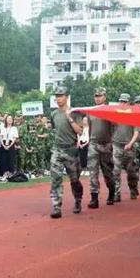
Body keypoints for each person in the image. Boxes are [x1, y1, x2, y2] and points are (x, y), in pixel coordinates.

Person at [49, 86, 84, 219]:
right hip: (57, 149)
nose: (58, 99)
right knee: (56, 179)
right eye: (57, 96)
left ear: (67, 97)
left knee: (74, 180)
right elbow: (55, 129)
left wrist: (69, 118)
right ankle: (56, 206)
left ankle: (78, 200)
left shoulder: (75, 113)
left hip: (71, 151)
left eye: (61, 96)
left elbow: (79, 131)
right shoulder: (54, 114)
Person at [86, 87, 115, 208]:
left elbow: (114, 128)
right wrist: (90, 141)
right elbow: (90, 128)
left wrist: (112, 143)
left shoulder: (109, 111)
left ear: (105, 97)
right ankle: (94, 197)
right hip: (93, 144)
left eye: (100, 96)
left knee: (107, 173)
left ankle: (112, 191)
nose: (97, 98)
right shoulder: (90, 112)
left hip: (106, 145)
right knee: (93, 172)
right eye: (96, 96)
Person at [111, 93, 140, 202]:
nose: (122, 103)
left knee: (131, 172)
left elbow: (136, 133)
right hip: (117, 146)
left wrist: (130, 144)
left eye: (124, 102)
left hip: (129, 148)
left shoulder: (133, 115)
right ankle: (116, 193)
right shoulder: (116, 114)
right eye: (121, 101)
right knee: (116, 171)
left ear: (129, 103)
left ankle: (133, 189)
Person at [0, 115, 18, 179]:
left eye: (11, 119)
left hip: (11, 143)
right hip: (3, 144)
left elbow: (14, 138)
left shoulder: (14, 128)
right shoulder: (3, 128)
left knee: (11, 159)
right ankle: (5, 173)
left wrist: (10, 145)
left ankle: (10, 173)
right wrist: (4, 145)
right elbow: (1, 137)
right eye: (8, 119)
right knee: (4, 159)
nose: (9, 120)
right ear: (6, 120)